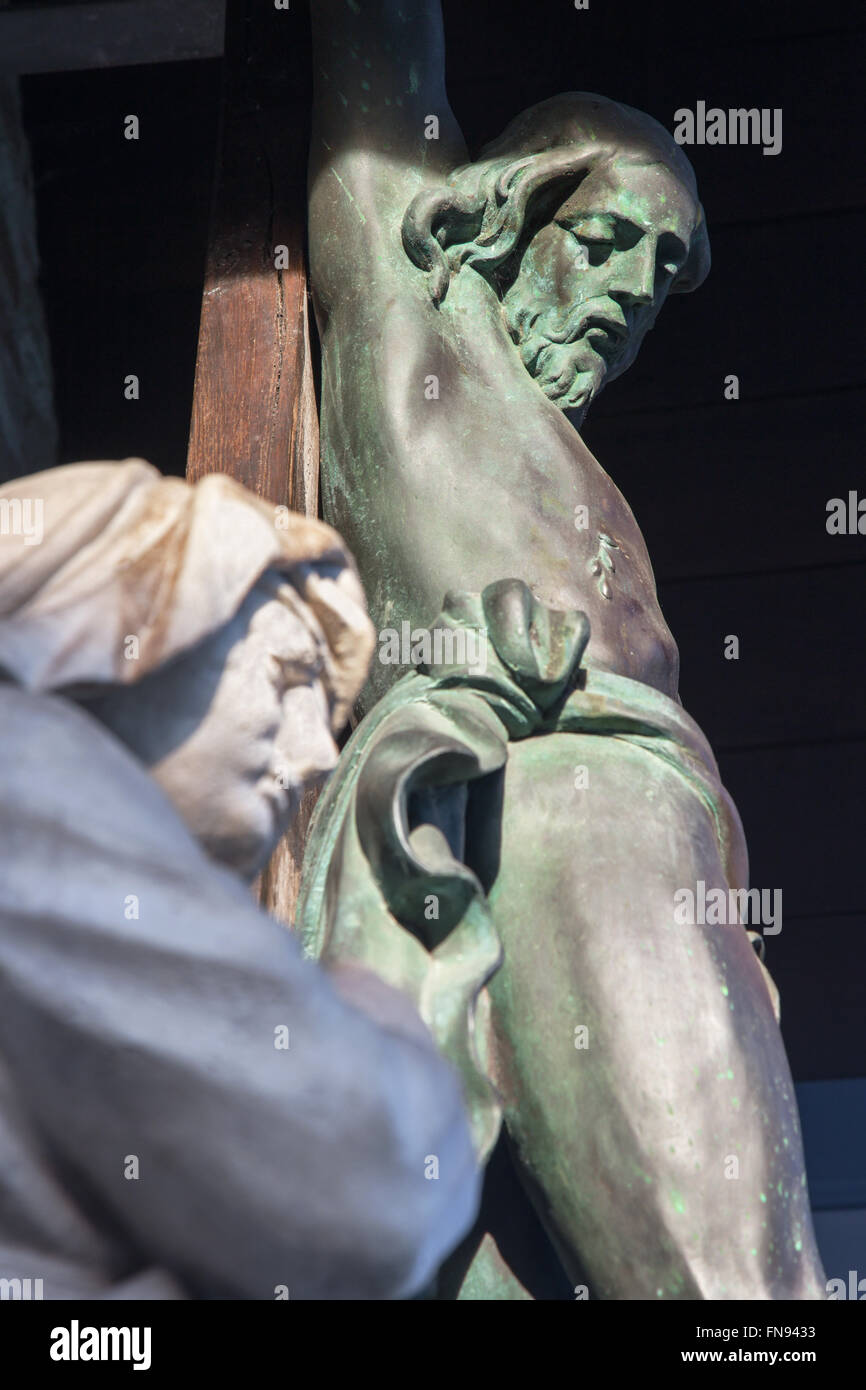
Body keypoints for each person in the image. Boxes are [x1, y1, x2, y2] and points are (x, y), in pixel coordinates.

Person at [303, 1, 826, 1298]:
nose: (622, 301)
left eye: (652, 283)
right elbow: (376, 52)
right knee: (728, 1288)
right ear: (502, 211)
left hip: (645, 840)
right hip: (555, 797)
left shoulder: (585, 480)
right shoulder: (410, 304)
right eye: (599, 245)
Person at [0, 458, 481, 1299]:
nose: (316, 755)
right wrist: (378, 1007)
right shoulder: (27, 769)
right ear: (130, 629)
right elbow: (364, 1190)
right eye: (288, 678)